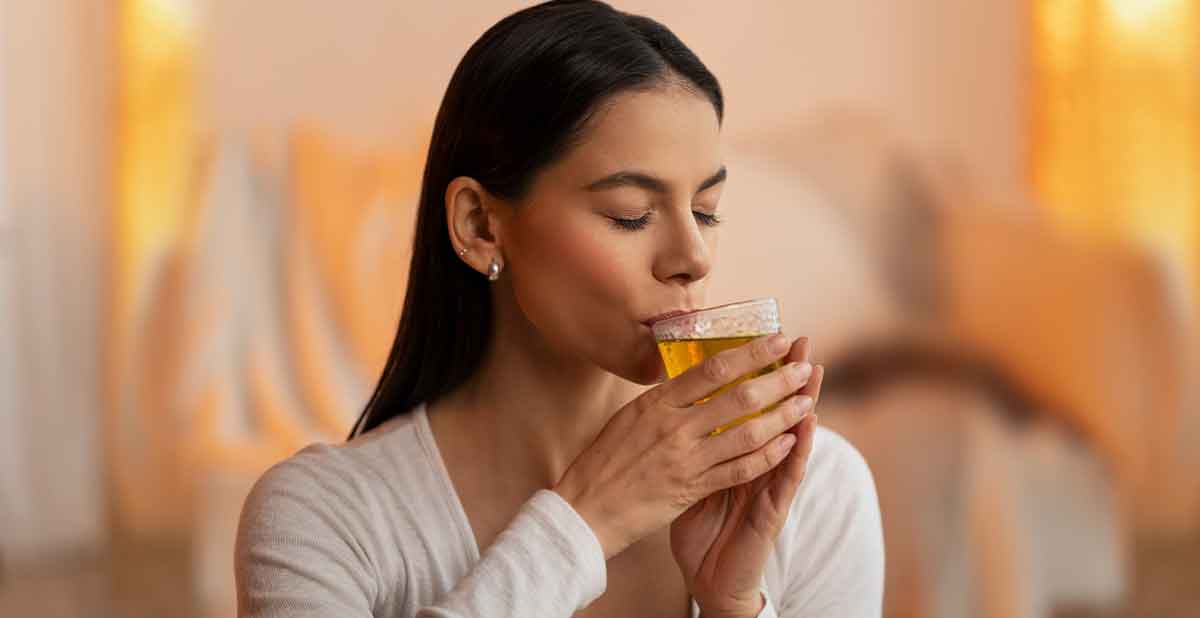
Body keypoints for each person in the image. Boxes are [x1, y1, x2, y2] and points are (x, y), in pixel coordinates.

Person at [235, 1, 883, 616]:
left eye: (706, 212)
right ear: (480, 225)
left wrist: (735, 607)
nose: (693, 256)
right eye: (630, 215)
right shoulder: (320, 518)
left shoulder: (813, 492)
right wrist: (583, 523)